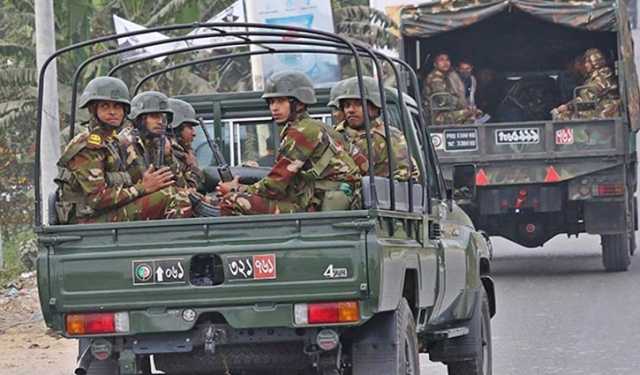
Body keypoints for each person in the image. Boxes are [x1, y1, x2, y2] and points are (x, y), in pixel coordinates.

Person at [217, 71, 362, 215]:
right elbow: (362, 164)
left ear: (298, 104)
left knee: (232, 200)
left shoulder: (303, 131)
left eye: (280, 101)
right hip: (322, 203)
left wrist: (236, 189)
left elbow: (275, 184)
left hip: (316, 208)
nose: (274, 108)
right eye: (271, 102)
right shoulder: (321, 128)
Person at [54, 77, 192, 223]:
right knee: (173, 196)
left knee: (179, 193)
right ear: (93, 109)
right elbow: (97, 199)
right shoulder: (88, 145)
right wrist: (143, 187)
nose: (112, 112)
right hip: (87, 220)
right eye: (105, 106)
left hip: (107, 212)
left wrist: (146, 183)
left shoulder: (112, 141)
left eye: (117, 107)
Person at [334, 76, 416, 181]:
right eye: (347, 105)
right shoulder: (334, 135)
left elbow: (405, 175)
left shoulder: (390, 136)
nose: (351, 110)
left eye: (358, 104)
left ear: (374, 107)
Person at [552, 48, 620, 120]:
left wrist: (567, 106)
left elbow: (588, 97)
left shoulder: (603, 75)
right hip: (598, 109)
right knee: (564, 115)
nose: (585, 65)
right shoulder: (592, 77)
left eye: (587, 62)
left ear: (594, 62)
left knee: (564, 117)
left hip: (606, 112)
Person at [423, 53, 481, 125]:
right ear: (435, 64)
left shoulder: (448, 76)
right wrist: (463, 105)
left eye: (447, 60)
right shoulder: (435, 78)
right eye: (441, 60)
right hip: (436, 116)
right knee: (469, 114)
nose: (445, 63)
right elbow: (443, 100)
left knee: (475, 113)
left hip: (446, 113)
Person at [167, 98, 204, 191]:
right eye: (190, 127)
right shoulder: (169, 153)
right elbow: (190, 192)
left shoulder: (181, 153)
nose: (194, 133)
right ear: (177, 128)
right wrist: (194, 167)